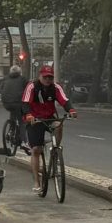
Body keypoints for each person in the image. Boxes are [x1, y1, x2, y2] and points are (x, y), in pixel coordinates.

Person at [21, 63, 72, 192]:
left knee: (59, 125)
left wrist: (71, 109)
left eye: (50, 77)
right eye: (45, 77)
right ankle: (37, 182)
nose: (48, 80)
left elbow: (64, 100)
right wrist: (28, 115)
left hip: (49, 117)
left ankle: (55, 150)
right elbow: (25, 102)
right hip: (35, 119)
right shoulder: (32, 86)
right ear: (40, 76)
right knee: (36, 150)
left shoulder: (55, 87)